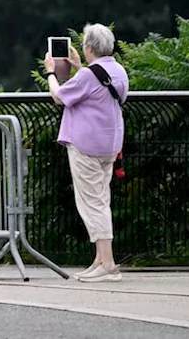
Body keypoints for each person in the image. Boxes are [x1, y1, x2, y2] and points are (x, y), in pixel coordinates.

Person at [44, 23, 129, 283]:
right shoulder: (118, 70)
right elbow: (103, 92)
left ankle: (108, 264)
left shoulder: (88, 75)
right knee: (101, 199)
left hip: (86, 146)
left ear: (89, 47)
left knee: (92, 203)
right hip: (110, 144)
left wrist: (51, 73)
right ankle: (100, 259)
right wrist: (81, 67)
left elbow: (60, 96)